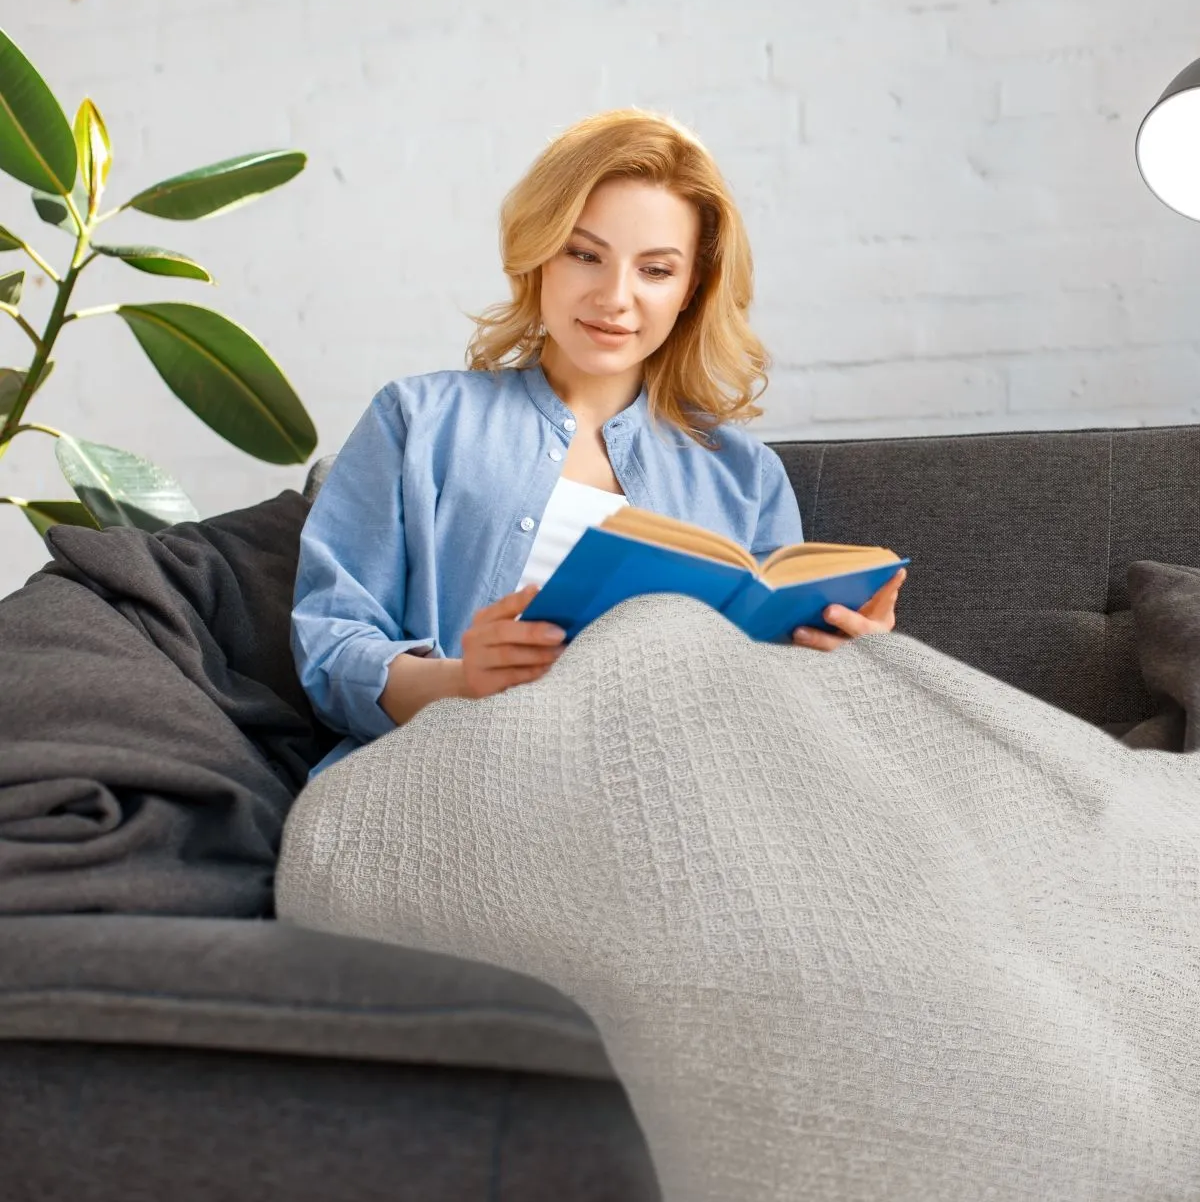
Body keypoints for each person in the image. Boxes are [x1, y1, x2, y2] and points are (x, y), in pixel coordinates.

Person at [291, 107, 908, 779]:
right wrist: (461, 680)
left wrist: (843, 663)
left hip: (667, 796)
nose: (614, 298)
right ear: (538, 257)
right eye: (584, 255)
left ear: (690, 289)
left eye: (655, 270)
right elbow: (329, 644)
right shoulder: (418, 419)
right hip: (447, 780)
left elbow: (766, 719)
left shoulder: (744, 478)